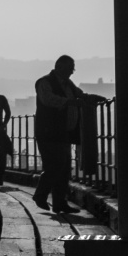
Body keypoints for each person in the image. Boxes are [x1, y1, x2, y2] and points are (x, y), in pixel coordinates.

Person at [33, 55, 103, 213]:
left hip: (64, 131)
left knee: (63, 167)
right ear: (59, 67)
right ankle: (41, 194)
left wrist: (89, 98)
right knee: (55, 165)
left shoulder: (68, 84)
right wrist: (70, 102)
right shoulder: (44, 82)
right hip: (48, 131)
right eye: (70, 69)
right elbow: (48, 99)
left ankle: (59, 203)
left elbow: (79, 94)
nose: (72, 72)